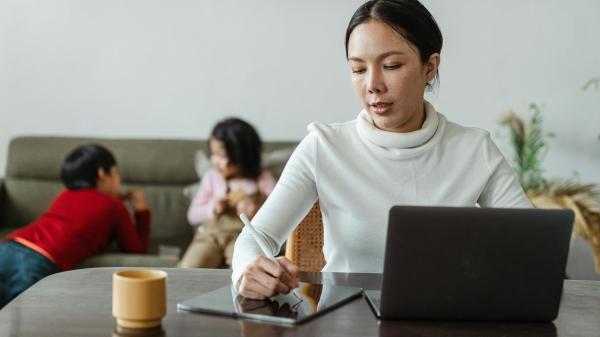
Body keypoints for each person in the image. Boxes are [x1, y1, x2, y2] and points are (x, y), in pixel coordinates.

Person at [232, 0, 532, 299]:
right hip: (345, 325)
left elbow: (533, 243)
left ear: (430, 66)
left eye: (391, 66)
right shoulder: (324, 146)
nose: (373, 84)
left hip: (443, 322)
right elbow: (256, 238)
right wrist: (250, 268)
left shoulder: (474, 150)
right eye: (358, 69)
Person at [0, 144, 150, 308]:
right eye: (115, 172)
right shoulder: (114, 207)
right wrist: (142, 211)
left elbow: (84, 211)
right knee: (21, 319)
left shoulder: (64, 195)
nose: (118, 179)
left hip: (10, 246)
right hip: (38, 260)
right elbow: (136, 250)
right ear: (102, 174)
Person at [179, 118, 276, 268]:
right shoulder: (212, 177)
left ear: (243, 156)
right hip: (211, 236)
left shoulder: (263, 180)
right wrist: (213, 207)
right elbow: (192, 215)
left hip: (243, 237)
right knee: (189, 267)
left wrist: (256, 214)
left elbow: (278, 214)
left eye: (222, 156)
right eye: (213, 154)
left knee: (245, 270)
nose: (215, 161)